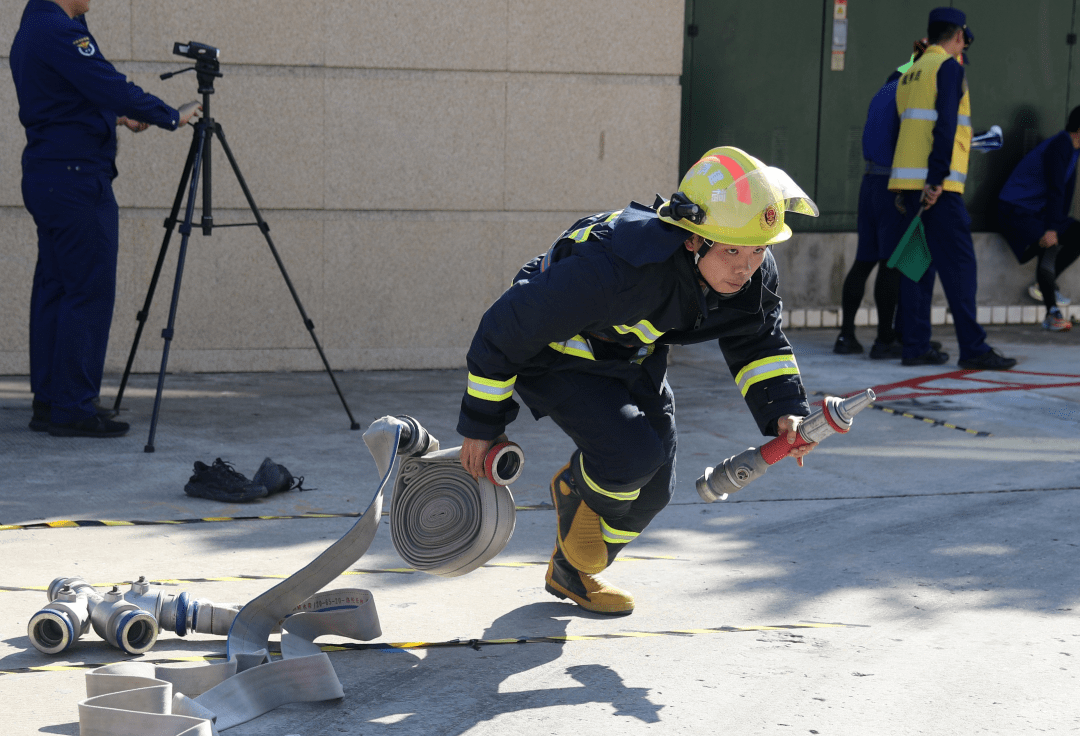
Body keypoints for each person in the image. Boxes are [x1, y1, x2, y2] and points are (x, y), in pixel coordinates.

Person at [456, 147, 819, 615]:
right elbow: (503, 330)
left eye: (758, 249)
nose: (745, 268)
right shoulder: (616, 271)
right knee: (632, 456)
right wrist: (483, 425)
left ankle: (571, 571)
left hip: (631, 356)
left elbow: (759, 342)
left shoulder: (747, 272)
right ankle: (577, 490)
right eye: (731, 250)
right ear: (692, 238)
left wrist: (784, 412)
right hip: (556, 356)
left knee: (656, 488)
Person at [10, 0, 201, 437]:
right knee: (87, 290)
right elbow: (106, 82)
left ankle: (51, 402)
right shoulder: (59, 30)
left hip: (50, 176)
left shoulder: (34, 27)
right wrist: (169, 115)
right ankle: (74, 407)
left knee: (55, 289)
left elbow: (64, 97)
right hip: (76, 180)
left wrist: (116, 116)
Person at [889, 7, 1017, 370]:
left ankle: (914, 346)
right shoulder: (949, 67)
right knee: (961, 268)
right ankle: (973, 348)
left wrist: (911, 185)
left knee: (917, 268)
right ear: (958, 36)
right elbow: (945, 125)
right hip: (938, 189)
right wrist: (937, 179)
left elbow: (903, 128)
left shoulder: (909, 72)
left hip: (908, 185)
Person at [835, 43, 927, 359]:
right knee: (893, 262)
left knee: (865, 260)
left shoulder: (882, 92)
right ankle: (885, 339)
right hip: (895, 185)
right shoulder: (909, 94)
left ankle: (846, 335)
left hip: (870, 181)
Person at [997, 107, 1080, 332]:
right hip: (1013, 210)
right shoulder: (1060, 146)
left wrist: (1059, 224)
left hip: (1035, 211)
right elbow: (1055, 190)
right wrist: (1053, 229)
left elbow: (1064, 193)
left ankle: (1044, 285)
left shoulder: (1074, 150)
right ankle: (1052, 314)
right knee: (1047, 241)